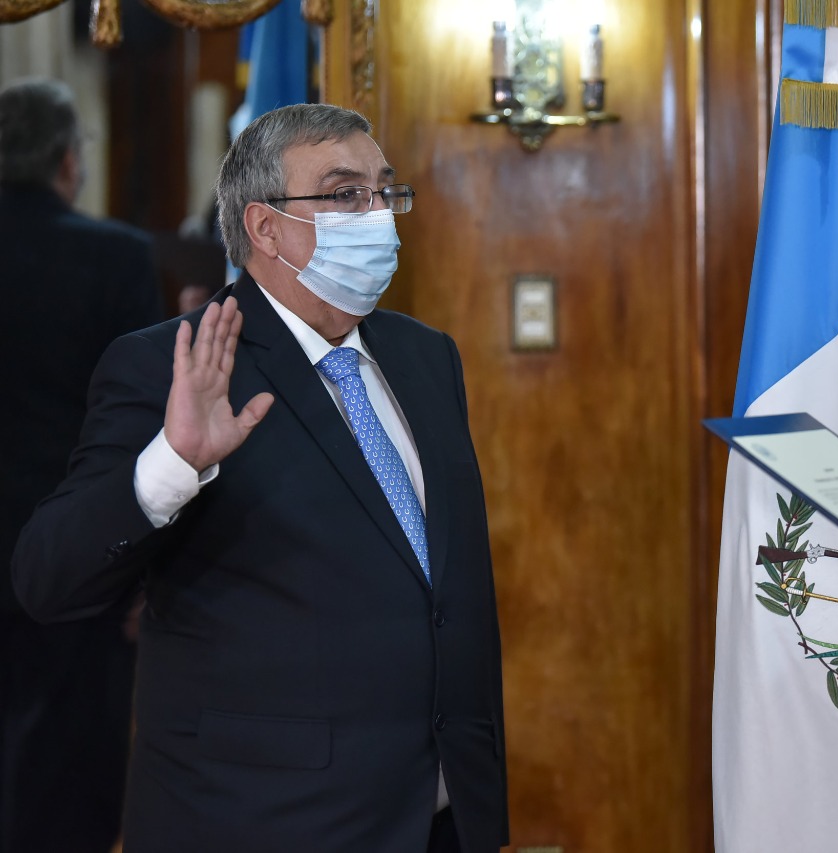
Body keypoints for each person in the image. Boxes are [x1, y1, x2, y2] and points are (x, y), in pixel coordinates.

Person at [12, 103, 508, 852]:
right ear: (265, 228)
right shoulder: (171, 364)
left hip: (440, 814)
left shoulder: (426, 355)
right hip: (264, 819)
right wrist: (173, 462)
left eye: (384, 190)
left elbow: (439, 592)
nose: (377, 214)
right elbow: (47, 577)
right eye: (345, 194)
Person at [0, 77, 163, 853]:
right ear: (69, 160)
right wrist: (146, 566)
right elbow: (142, 428)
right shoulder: (116, 257)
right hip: (78, 560)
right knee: (67, 785)